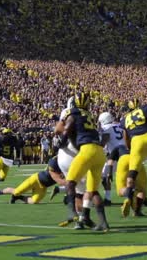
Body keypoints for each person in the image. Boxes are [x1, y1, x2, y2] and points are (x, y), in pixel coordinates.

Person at [59, 92, 109, 232]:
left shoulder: (72, 112)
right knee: (92, 191)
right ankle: (102, 223)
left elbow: (67, 128)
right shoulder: (90, 115)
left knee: (70, 182)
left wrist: (61, 142)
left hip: (86, 150)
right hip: (99, 152)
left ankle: (72, 213)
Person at [0, 156, 66, 204]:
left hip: (43, 186)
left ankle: (18, 197)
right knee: (16, 191)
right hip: (36, 179)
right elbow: (57, 179)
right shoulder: (54, 162)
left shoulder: (67, 167)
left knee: (34, 201)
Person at [98, 111, 125, 206]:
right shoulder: (119, 125)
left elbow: (103, 143)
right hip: (125, 153)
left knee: (104, 177)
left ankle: (108, 198)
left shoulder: (107, 128)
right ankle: (140, 197)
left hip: (115, 156)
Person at [112, 145, 147, 216]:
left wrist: (109, 173)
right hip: (137, 160)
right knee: (140, 190)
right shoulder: (135, 145)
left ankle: (129, 196)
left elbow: (110, 161)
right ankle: (137, 211)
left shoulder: (119, 147)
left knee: (121, 190)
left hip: (123, 160)